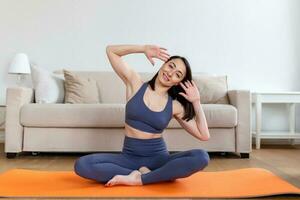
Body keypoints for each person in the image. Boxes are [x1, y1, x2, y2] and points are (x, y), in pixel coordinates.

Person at [74, 44, 210, 186]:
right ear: (163, 64)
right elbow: (111, 51)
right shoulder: (135, 84)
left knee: (201, 157)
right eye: (171, 66)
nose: (170, 73)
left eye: (178, 74)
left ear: (178, 83)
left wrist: (196, 102)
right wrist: (143, 49)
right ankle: (154, 175)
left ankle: (140, 179)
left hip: (159, 159)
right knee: (82, 165)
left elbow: (203, 135)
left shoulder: (175, 106)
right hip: (129, 159)